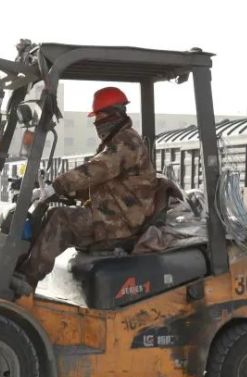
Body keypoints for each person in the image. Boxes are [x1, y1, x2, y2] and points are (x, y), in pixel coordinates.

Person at [17, 86, 165, 285]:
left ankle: (25, 281)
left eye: (99, 117)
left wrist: (58, 186)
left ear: (113, 115)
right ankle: (23, 270)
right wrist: (60, 192)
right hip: (114, 214)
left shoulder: (126, 142)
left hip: (121, 222)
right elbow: (101, 185)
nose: (97, 123)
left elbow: (97, 169)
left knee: (60, 219)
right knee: (52, 213)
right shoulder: (115, 141)